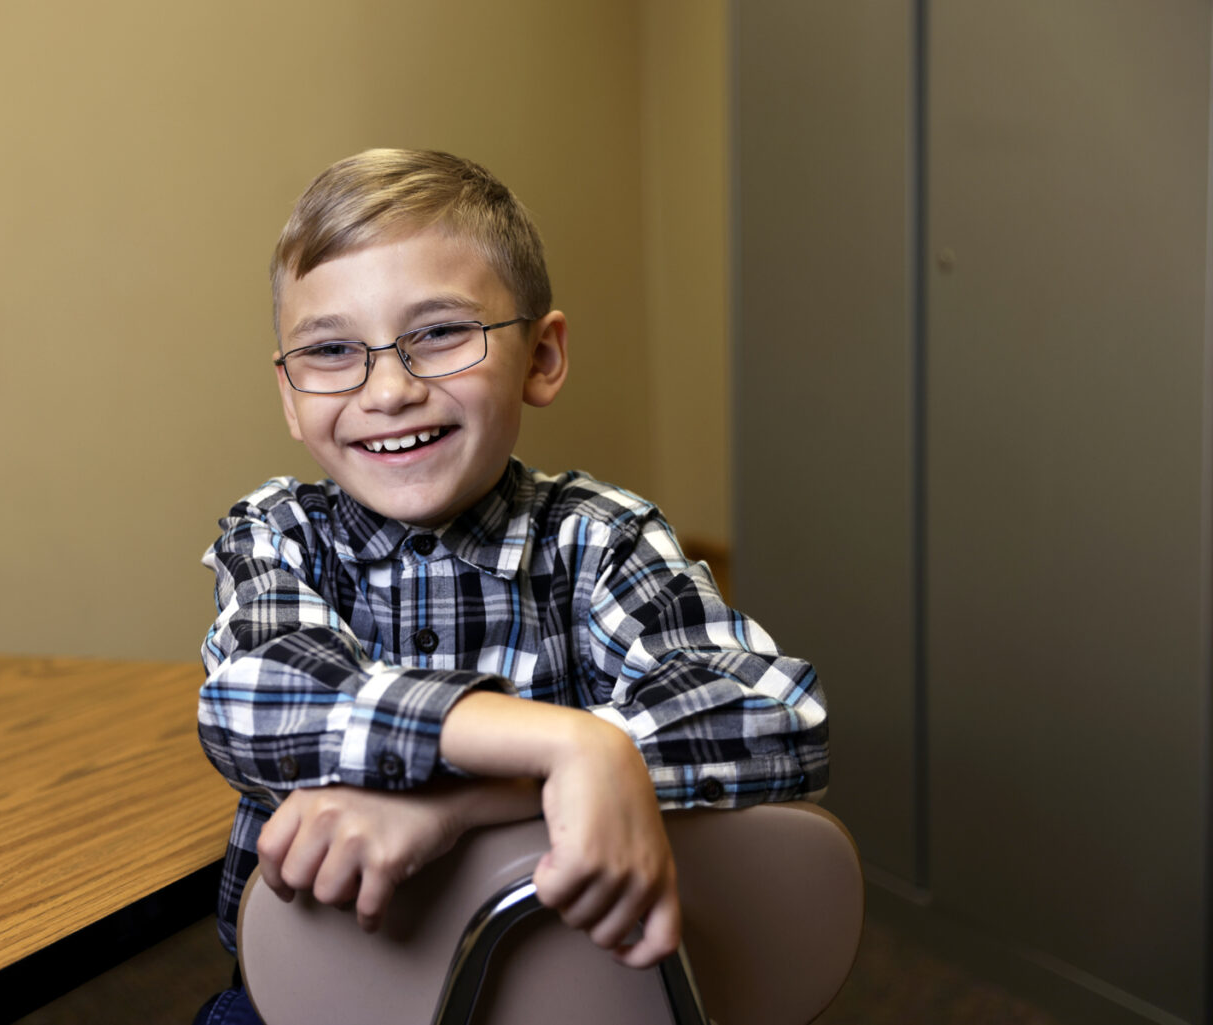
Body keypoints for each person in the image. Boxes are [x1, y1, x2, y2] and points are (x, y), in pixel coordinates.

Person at [192, 148, 827, 1025]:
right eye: (332, 350)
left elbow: (772, 714)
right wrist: (567, 749)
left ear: (543, 355)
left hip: (578, 995)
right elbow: (259, 698)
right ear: (292, 395)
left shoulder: (599, 535)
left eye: (441, 333)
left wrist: (466, 799)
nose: (389, 389)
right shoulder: (277, 532)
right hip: (317, 999)